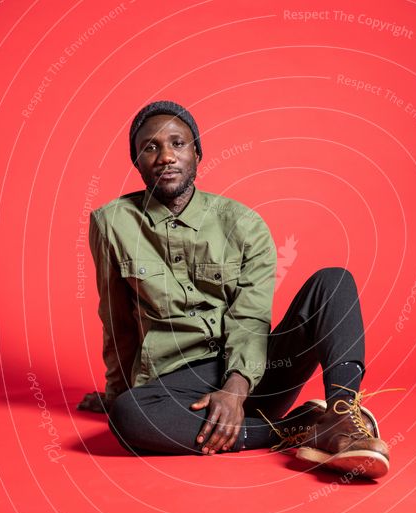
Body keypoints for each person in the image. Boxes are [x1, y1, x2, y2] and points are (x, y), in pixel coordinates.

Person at [77, 100, 392, 478]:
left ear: (197, 153)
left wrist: (235, 389)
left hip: (258, 372)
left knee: (333, 281)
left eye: (177, 143)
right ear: (137, 161)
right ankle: (298, 427)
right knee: (129, 418)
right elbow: (117, 323)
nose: (165, 156)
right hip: (179, 383)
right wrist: (117, 396)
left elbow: (251, 316)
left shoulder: (243, 224)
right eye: (150, 147)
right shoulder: (111, 223)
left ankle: (341, 419)